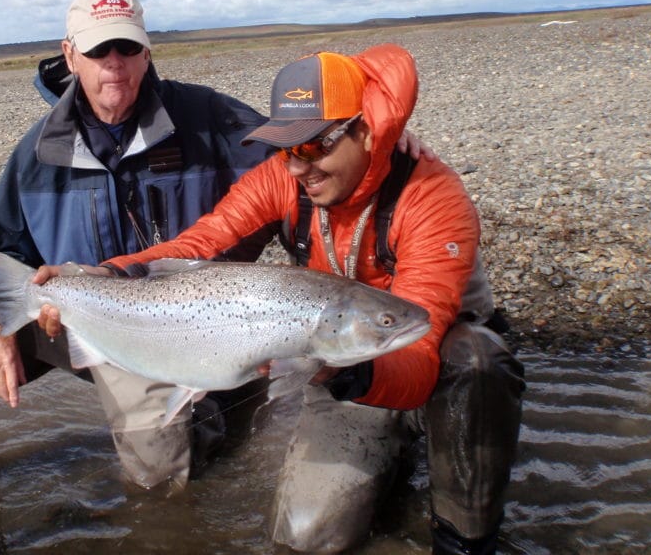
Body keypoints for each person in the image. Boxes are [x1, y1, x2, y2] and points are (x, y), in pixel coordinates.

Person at [37, 44, 525, 554]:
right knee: (306, 539)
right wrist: (104, 274)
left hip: (428, 362)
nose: (297, 168)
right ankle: (391, 459)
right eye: (287, 148)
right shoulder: (284, 176)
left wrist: (351, 369)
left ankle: (464, 538)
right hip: (347, 360)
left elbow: (420, 355)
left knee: (477, 360)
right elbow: (204, 242)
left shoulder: (431, 197)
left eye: (314, 146)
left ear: (365, 131)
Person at [0, 0, 277, 490]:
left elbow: (304, 157)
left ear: (146, 52)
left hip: (181, 329)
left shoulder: (208, 121)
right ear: (70, 54)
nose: (115, 63)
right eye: (98, 50)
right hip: (71, 319)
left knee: (163, 476)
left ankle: (213, 413)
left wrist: (386, 134)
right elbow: (0, 252)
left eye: (127, 48)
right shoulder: (37, 153)